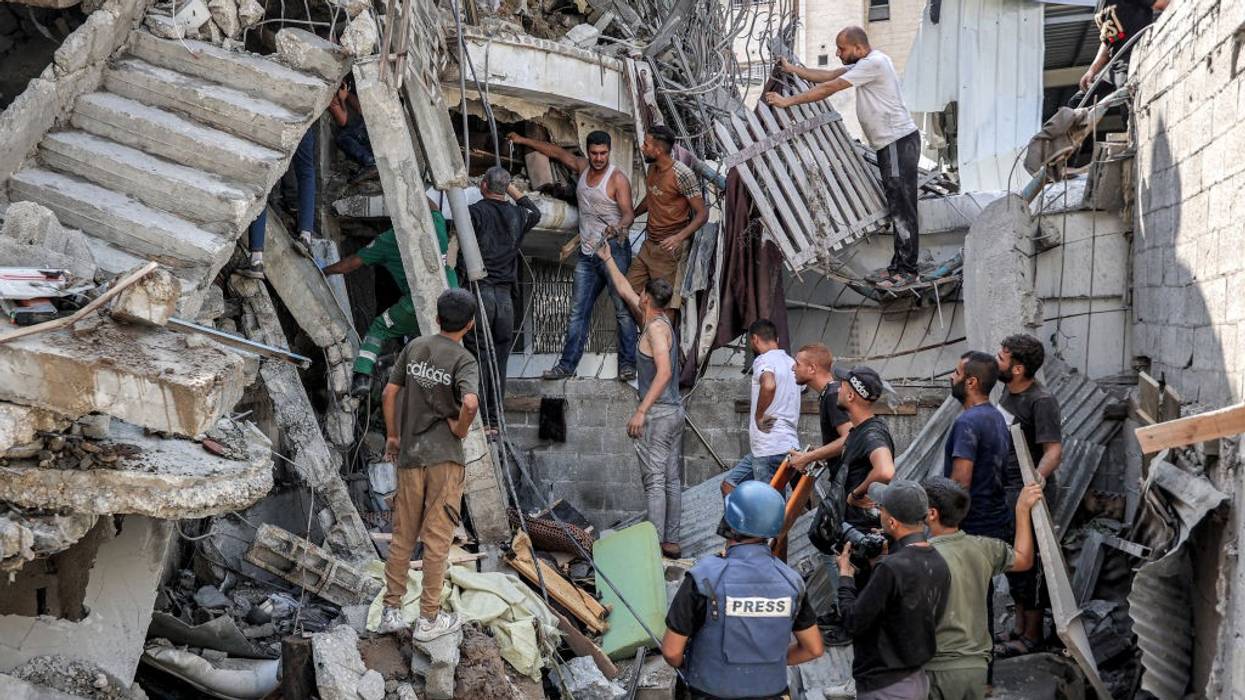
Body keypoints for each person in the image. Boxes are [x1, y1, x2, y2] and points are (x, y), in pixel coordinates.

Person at [764, 28, 920, 289]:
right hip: (891, 143)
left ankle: (907, 271)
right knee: (897, 206)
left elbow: (830, 87)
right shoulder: (866, 63)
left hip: (897, 142)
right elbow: (826, 75)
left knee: (902, 208)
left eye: (842, 48)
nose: (837, 53)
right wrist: (792, 69)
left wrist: (786, 102)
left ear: (859, 48)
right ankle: (898, 266)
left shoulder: (875, 63)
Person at [373, 289, 479, 641]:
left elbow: (389, 393)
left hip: (410, 455)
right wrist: (460, 428)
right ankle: (428, 619)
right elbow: (470, 402)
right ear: (470, 324)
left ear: (437, 319)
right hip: (444, 459)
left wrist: (392, 435)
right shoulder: (464, 360)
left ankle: (391, 611)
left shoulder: (415, 347)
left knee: (403, 535)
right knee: (436, 540)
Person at [662, 480, 825, 698]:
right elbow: (813, 648)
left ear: (731, 523)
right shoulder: (791, 581)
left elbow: (672, 652)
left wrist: (693, 665)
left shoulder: (704, 576)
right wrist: (767, 662)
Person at [506, 130, 638, 382]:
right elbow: (556, 153)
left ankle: (627, 365)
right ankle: (566, 366)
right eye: (594, 153)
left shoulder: (617, 179)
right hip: (588, 254)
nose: (599, 158)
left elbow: (629, 214)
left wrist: (618, 227)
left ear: (609, 152)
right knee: (578, 312)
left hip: (614, 251)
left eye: (603, 153)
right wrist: (523, 140)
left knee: (622, 309)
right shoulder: (583, 167)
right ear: (588, 152)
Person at [595, 239, 685, 558]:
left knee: (655, 482)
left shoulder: (656, 331)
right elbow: (623, 289)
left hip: (659, 414)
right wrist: (607, 258)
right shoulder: (656, 320)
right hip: (672, 411)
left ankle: (655, 545)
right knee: (671, 479)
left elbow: (663, 372)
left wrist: (641, 411)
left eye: (640, 293)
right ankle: (670, 540)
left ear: (646, 298)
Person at [321, 198, 458, 398]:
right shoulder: (436, 225)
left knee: (379, 328)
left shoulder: (390, 239)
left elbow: (352, 263)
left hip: (417, 303)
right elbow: (434, 207)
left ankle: (362, 377)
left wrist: (324, 270)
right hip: (453, 301)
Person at [923, 477, 1041, 700]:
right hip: (977, 668)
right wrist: (1022, 510)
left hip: (937, 669)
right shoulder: (984, 548)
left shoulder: (920, 555)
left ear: (931, 514)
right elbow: (1024, 559)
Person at [838, 480, 950, 699]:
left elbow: (853, 621)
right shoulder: (938, 561)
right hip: (917, 679)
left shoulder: (891, 568)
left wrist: (845, 577)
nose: (877, 511)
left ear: (891, 522)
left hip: (885, 687)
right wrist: (878, 563)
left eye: (881, 508)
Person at [995, 333, 1063, 657]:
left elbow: (1053, 451)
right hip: (1006, 493)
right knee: (1014, 562)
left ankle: (1033, 636)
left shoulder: (1041, 400)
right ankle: (1019, 629)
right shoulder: (1007, 392)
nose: (997, 360)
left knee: (1032, 566)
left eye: (1003, 357)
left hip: (1028, 495)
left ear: (1018, 368)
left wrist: (1034, 484)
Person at [462, 166, 542, 433]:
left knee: (480, 356)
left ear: (484, 185)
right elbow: (535, 212)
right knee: (500, 358)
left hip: (482, 293)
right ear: (504, 188)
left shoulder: (474, 213)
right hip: (505, 299)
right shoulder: (518, 215)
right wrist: (511, 188)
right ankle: (495, 420)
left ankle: (483, 419)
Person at [788, 343, 854, 644]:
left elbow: (849, 437)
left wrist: (808, 459)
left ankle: (845, 617)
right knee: (826, 542)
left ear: (812, 369)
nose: (793, 368)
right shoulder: (830, 394)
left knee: (832, 545)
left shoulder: (831, 397)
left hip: (848, 485)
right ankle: (840, 609)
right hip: (841, 482)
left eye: (798, 364)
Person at [629, 125, 708, 321]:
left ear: (658, 150)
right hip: (650, 245)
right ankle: (648, 337)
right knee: (629, 291)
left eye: (646, 144)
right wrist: (631, 215)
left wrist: (678, 237)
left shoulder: (682, 174)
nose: (642, 147)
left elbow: (702, 214)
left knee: (666, 306)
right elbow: (652, 197)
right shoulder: (652, 167)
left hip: (669, 249)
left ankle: (663, 345)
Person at [720, 320, 801, 497]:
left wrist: (759, 415)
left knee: (768, 507)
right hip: (788, 447)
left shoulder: (763, 360)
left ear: (754, 339)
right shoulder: (792, 363)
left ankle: (764, 524)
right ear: (777, 339)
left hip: (768, 449)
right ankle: (732, 525)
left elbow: (769, 384)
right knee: (729, 484)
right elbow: (800, 389)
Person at [944, 351, 1011, 540]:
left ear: (971, 382)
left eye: (956, 373)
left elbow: (960, 483)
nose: (951, 377)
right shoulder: (996, 416)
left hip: (972, 530)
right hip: (997, 524)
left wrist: (947, 529)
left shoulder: (968, 422)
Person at [239, 128, 317, 279]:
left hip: (275, 124)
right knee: (306, 172)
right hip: (304, 119)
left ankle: (256, 259)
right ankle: (306, 236)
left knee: (263, 177)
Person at [1073, 0, 1170, 109]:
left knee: (1129, 108)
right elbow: (1109, 40)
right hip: (1115, 66)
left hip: (1133, 60)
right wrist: (1092, 70)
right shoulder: (1101, 4)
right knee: (1077, 102)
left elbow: (1164, 4)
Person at [837, 366, 896, 528]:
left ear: (850, 396)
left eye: (841, 385)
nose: (837, 389)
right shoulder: (860, 430)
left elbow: (885, 471)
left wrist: (857, 494)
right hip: (853, 528)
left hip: (864, 531)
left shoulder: (871, 433)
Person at [327, 77, 377, 181]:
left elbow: (357, 111)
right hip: (354, 128)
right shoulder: (332, 98)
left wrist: (346, 95)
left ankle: (370, 161)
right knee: (343, 137)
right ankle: (368, 161)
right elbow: (344, 120)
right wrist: (342, 100)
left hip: (360, 126)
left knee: (344, 137)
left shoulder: (346, 93)